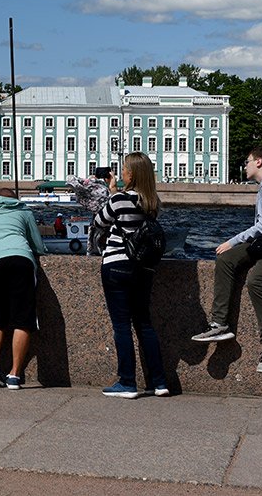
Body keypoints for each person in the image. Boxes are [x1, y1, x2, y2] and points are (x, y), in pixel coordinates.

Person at [192, 146, 262, 374]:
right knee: (226, 260)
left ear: (260, 162)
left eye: (247, 161)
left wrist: (232, 241)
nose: (244, 165)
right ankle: (219, 324)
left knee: (256, 279)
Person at [91, 152, 167, 398]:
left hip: (117, 266)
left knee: (121, 326)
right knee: (144, 324)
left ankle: (127, 382)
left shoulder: (119, 199)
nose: (121, 172)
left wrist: (111, 192)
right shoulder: (152, 201)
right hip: (143, 268)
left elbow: (99, 222)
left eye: (124, 169)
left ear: (131, 174)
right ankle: (159, 382)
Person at [0, 187, 47, 390]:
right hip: (21, 261)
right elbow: (37, 244)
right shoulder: (23, 210)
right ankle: (14, 374)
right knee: (23, 318)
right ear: (14, 199)